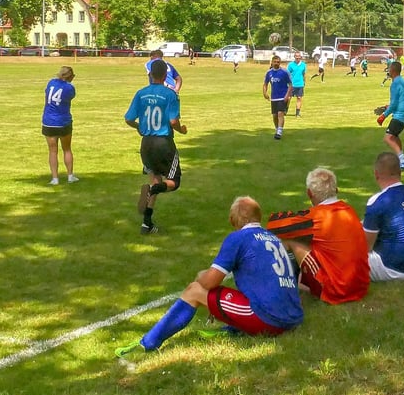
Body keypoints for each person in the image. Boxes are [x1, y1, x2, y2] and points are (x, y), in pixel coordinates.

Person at [115, 196, 302, 357]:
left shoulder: (237, 238)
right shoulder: (273, 238)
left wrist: (201, 275)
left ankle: (147, 344)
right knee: (239, 293)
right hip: (293, 317)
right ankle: (236, 328)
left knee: (194, 291)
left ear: (233, 219)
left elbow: (210, 282)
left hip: (271, 320)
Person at [266, 167, 370, 303]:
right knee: (309, 238)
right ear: (336, 190)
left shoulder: (316, 217)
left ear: (309, 193)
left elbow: (274, 225)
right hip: (361, 286)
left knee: (291, 240)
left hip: (338, 291)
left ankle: (283, 278)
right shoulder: (349, 210)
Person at [125, 59, 187, 235]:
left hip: (146, 144)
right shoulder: (170, 94)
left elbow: (129, 118)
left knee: (156, 179)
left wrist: (139, 127)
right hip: (163, 143)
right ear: (165, 75)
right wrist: (181, 130)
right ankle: (151, 191)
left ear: (150, 74)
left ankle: (147, 224)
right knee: (174, 182)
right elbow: (173, 121)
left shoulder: (141, 93)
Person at [362, 152, 404, 281]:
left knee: (347, 251)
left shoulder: (377, 201)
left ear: (376, 174)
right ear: (400, 172)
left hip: (393, 268)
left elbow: (366, 247)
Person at [43, 66, 78, 185]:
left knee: (52, 151)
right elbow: (71, 97)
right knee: (67, 149)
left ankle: (55, 178)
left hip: (49, 121)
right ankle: (70, 176)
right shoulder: (69, 88)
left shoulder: (51, 82)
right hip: (63, 121)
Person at [375, 60, 404, 169]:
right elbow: (400, 100)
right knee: (394, 136)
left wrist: (383, 116)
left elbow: (395, 104)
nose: (388, 70)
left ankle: (403, 160)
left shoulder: (395, 84)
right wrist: (387, 107)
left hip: (401, 114)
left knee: (388, 138)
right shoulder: (402, 81)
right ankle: (401, 159)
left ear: (393, 70)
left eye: (389, 68)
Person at [262, 55, 293, 140]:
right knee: (275, 115)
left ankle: (279, 132)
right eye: (275, 62)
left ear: (280, 63)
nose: (276, 63)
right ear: (272, 62)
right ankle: (277, 129)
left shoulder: (284, 72)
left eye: (278, 62)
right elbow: (265, 84)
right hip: (274, 97)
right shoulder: (269, 73)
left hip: (282, 97)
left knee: (280, 114)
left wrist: (287, 95)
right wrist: (265, 93)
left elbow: (290, 85)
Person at [286, 51, 307, 117]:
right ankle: (285, 110)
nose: (298, 58)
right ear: (294, 57)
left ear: (301, 57)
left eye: (299, 57)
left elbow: (304, 74)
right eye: (296, 57)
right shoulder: (290, 65)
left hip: (300, 84)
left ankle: (297, 113)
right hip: (292, 84)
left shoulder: (303, 65)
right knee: (288, 98)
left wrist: (304, 81)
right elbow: (287, 74)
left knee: (299, 98)